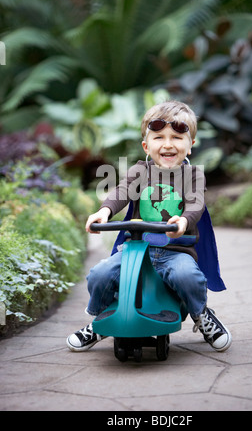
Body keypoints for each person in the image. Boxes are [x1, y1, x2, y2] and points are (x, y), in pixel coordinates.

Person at [66, 101, 232, 353]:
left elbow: (195, 204)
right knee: (100, 274)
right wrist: (104, 211)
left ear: (191, 145)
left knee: (188, 276)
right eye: (158, 137)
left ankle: (200, 314)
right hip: (135, 248)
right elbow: (121, 192)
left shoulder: (193, 175)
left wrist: (184, 221)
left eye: (177, 137)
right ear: (146, 145)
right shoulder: (140, 171)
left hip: (175, 250)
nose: (167, 144)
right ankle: (99, 321)